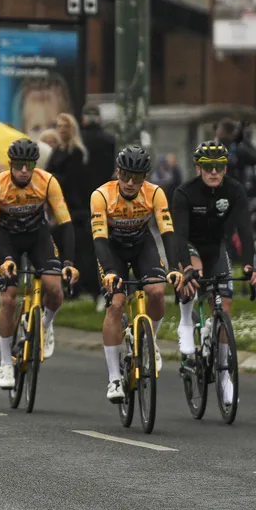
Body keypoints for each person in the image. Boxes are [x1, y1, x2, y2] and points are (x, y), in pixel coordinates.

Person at [0, 138, 79, 388]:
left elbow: (65, 222)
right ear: (11, 164)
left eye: (29, 165)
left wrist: (68, 261)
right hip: (6, 240)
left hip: (38, 238)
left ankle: (45, 325)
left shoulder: (47, 182)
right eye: (19, 165)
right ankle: (5, 363)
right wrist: (7, 257)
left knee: (54, 288)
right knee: (8, 298)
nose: (24, 170)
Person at [91, 146, 182, 402]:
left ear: (145, 176)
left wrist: (174, 267)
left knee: (156, 290)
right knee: (116, 304)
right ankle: (114, 379)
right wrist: (109, 271)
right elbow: (99, 238)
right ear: (118, 172)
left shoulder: (155, 193)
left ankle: (149, 340)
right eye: (127, 175)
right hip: (113, 250)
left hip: (143, 246)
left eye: (138, 177)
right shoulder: (101, 195)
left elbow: (167, 232)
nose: (131, 182)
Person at [171, 140, 256, 407]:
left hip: (216, 248)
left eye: (219, 166)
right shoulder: (185, 193)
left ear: (225, 168)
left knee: (225, 304)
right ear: (199, 168)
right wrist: (185, 267)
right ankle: (186, 325)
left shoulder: (234, 190)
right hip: (189, 245)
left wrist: (250, 264)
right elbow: (179, 235)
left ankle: (223, 375)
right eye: (208, 167)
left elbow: (245, 230)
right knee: (193, 276)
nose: (214, 172)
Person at [48, 112, 101, 302]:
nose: (62, 130)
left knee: (80, 251)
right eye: (59, 126)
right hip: (58, 206)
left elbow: (73, 181)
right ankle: (71, 286)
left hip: (75, 208)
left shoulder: (76, 152)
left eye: (65, 126)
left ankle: (92, 289)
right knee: (62, 250)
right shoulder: (57, 151)